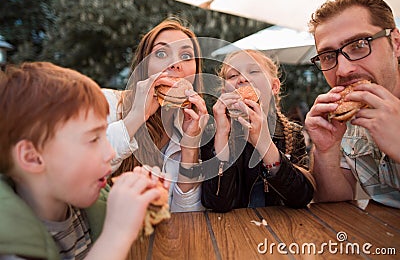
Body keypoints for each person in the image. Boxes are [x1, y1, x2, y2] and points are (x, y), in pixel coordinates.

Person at [0, 62, 168, 259]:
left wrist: (141, 203)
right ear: (32, 158)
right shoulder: (11, 249)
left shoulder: (83, 201)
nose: (111, 153)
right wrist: (117, 233)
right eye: (93, 139)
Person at [305, 0, 400, 208]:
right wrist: (326, 151)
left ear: (395, 43)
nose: (344, 70)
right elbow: (334, 200)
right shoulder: (345, 117)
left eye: (358, 45)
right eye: (328, 56)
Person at [103, 18, 208, 212]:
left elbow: (185, 213)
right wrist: (136, 116)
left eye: (186, 56)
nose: (176, 64)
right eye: (161, 53)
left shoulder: (197, 126)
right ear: (143, 66)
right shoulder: (107, 104)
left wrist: (190, 145)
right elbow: (82, 170)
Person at [201, 49, 315, 212]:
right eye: (232, 76)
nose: (242, 79)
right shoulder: (212, 133)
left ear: (274, 87)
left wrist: (264, 143)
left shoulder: (291, 133)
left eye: (253, 71)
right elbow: (217, 203)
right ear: (224, 92)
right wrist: (221, 135)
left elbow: (301, 197)